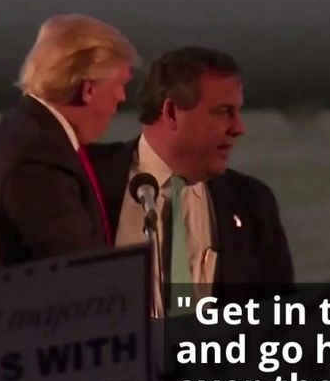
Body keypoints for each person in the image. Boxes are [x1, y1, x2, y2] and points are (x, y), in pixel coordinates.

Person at [88, 46, 294, 316]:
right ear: (172, 113)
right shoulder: (87, 177)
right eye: (223, 111)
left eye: (238, 112)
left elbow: (279, 319)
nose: (238, 128)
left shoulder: (253, 203)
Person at [0, 14, 138, 282]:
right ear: (88, 89)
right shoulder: (38, 156)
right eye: (119, 85)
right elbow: (80, 274)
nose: (122, 98)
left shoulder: (30, 132)